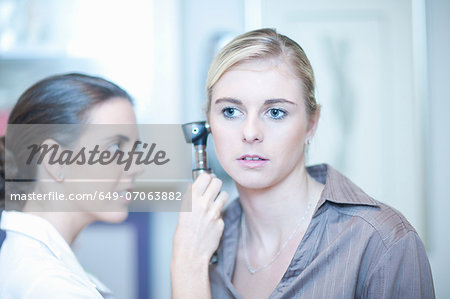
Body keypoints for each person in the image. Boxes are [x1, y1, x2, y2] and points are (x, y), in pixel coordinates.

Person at [171, 28, 435, 298]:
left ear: (311, 123)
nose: (250, 133)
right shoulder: (204, 239)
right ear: (209, 123)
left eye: (275, 112)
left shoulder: (382, 242)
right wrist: (188, 263)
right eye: (230, 111)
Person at [0, 73, 142, 298]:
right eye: (115, 148)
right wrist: (187, 264)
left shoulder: (38, 263)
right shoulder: (48, 285)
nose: (136, 167)